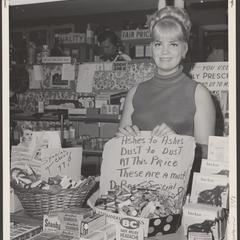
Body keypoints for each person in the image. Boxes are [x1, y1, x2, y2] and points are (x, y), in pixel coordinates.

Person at [117, 6, 216, 158]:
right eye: (158, 44)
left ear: (184, 49)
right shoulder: (134, 92)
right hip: (136, 177)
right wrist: (123, 140)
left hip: (179, 181)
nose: (164, 51)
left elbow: (209, 153)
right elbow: (118, 148)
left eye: (173, 44)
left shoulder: (198, 93)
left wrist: (177, 144)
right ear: (151, 48)